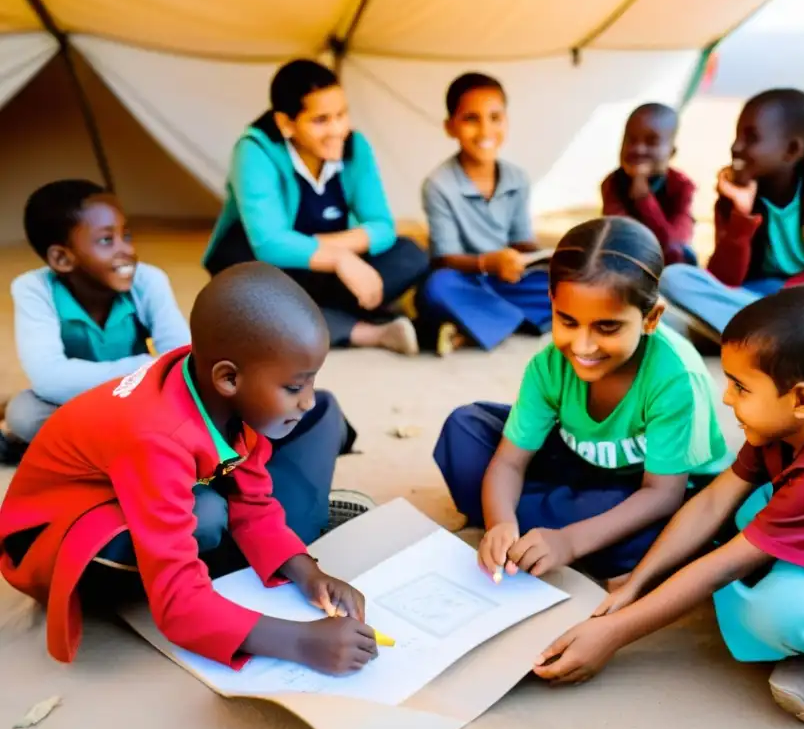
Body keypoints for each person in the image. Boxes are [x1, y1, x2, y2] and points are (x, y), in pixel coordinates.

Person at [532, 287, 804, 729]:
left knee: (777, 608)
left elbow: (721, 567)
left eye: (741, 387)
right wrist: (638, 586)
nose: (727, 398)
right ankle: (780, 615)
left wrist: (614, 633)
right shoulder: (795, 423)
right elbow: (712, 503)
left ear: (801, 399)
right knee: (742, 512)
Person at [0, 263, 378, 673]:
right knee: (208, 515)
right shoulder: (157, 438)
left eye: (308, 382)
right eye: (293, 387)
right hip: (52, 547)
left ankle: (278, 533)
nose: (305, 399)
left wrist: (308, 573)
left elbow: (254, 501)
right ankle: (245, 552)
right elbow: (176, 605)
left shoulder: (218, 387)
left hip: (133, 487)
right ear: (229, 379)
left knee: (320, 417)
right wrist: (302, 641)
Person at [433, 217, 731, 581]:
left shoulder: (675, 377)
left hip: (650, 488)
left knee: (643, 536)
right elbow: (509, 463)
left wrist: (569, 542)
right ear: (552, 303)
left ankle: (556, 528)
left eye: (607, 327)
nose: (582, 346)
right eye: (568, 321)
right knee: (464, 429)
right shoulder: (550, 365)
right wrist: (500, 523)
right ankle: (535, 525)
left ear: (651, 318)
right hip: (583, 464)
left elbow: (661, 495)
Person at [203, 59, 429, 355]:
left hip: (318, 270)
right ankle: (367, 331)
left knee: (410, 254)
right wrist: (340, 259)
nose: (337, 129)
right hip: (269, 267)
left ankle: (311, 318)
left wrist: (332, 251)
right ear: (286, 123)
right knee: (248, 294)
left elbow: (382, 226)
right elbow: (270, 243)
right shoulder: (254, 151)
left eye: (342, 115)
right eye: (321, 120)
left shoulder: (356, 146)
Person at [0, 180, 189, 465]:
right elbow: (49, 378)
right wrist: (148, 366)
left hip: (138, 398)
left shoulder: (148, 280)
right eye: (106, 240)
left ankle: (70, 452)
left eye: (126, 235)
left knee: (186, 401)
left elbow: (181, 357)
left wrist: (150, 375)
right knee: (24, 414)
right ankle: (120, 449)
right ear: (62, 258)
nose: (126, 250)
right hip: (77, 400)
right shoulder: (34, 289)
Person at [659, 89, 804, 341]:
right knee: (673, 278)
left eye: (751, 138)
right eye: (737, 136)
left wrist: (778, 299)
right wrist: (741, 214)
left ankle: (744, 336)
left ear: (791, 150)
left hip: (803, 301)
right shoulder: (734, 192)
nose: (736, 146)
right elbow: (725, 278)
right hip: (751, 295)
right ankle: (775, 340)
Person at [416, 72, 552, 355]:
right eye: (471, 119)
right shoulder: (439, 184)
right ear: (449, 127)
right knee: (435, 288)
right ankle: (517, 322)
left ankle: (477, 327)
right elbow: (444, 258)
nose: (485, 130)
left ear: (507, 121)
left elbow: (521, 240)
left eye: (495, 118)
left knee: (566, 284)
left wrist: (547, 256)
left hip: (508, 279)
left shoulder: (517, 178)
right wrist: (489, 262)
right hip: (465, 278)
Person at [601, 103, 697, 266]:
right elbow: (624, 235)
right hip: (626, 261)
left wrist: (643, 198)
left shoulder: (682, 186)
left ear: (671, 152)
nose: (638, 149)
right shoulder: (613, 183)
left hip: (669, 267)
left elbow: (673, 243)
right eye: (631, 140)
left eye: (651, 142)